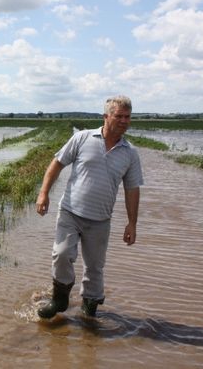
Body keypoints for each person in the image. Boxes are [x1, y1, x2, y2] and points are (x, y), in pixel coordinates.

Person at [36, 95, 143, 318]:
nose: (124, 121)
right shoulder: (82, 138)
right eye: (119, 116)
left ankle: (89, 310)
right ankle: (60, 299)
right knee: (62, 253)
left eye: (128, 117)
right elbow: (56, 164)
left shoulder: (130, 153)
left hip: (101, 219)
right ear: (106, 116)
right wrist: (43, 193)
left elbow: (132, 189)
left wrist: (132, 223)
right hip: (70, 212)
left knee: (95, 268)